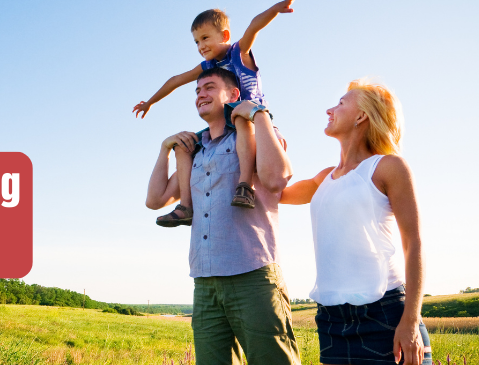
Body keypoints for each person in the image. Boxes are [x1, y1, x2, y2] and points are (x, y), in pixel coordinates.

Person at [145, 67, 300, 365]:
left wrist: (258, 114)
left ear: (233, 95)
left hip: (252, 275)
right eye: (197, 90)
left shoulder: (255, 133)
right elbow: (155, 200)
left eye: (210, 87)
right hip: (204, 281)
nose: (201, 94)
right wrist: (165, 149)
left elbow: (277, 178)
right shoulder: (196, 151)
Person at [279, 79, 432, 365]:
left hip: (384, 314)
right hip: (331, 320)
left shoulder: (388, 167)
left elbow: (414, 244)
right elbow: (272, 193)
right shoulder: (323, 178)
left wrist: (411, 320)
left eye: (340, 103)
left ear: (361, 116)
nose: (330, 109)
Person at [135, 1, 294, 227]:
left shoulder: (238, 53)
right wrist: (150, 101)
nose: (201, 45)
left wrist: (274, 10)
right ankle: (186, 207)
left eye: (205, 38)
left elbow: (253, 27)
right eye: (197, 41)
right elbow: (176, 80)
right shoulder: (208, 66)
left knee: (239, 116)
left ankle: (245, 186)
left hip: (250, 115)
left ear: (225, 35)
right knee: (183, 144)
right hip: (225, 122)